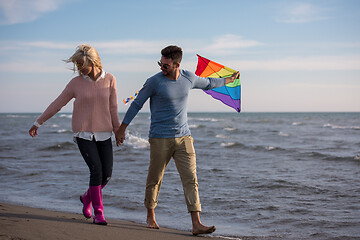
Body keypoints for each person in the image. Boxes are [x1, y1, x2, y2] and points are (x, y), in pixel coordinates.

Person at [115, 45, 239, 235]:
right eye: (160, 63)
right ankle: (150, 215)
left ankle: (196, 223)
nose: (161, 68)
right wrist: (122, 127)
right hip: (159, 138)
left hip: (184, 138)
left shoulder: (188, 78)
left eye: (165, 65)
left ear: (177, 64)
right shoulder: (154, 82)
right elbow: (137, 103)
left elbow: (209, 83)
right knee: (155, 178)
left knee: (191, 179)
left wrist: (230, 79)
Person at [28, 44, 120, 225]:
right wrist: (38, 122)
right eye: (76, 64)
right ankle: (99, 213)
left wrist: (118, 131)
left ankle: (87, 198)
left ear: (92, 62)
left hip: (104, 134)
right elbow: (57, 103)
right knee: (96, 170)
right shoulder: (75, 83)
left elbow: (113, 108)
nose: (78, 68)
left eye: (80, 64)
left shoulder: (110, 79)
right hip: (83, 134)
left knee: (106, 175)